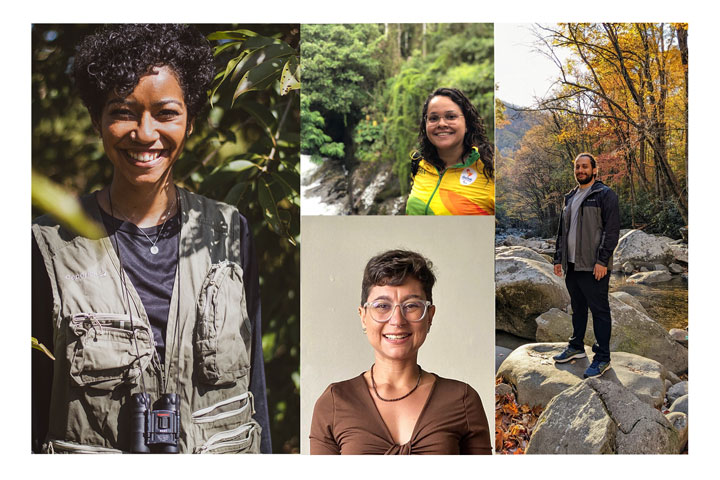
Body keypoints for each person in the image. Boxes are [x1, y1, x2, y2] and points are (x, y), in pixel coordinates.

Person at [31, 24, 271, 453]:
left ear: (191, 122)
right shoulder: (47, 245)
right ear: (96, 120)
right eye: (123, 112)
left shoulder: (230, 232)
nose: (144, 133)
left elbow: (255, 387)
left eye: (165, 113)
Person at [309, 250, 491, 455]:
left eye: (411, 305)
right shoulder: (334, 402)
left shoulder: (463, 400)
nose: (397, 320)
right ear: (363, 316)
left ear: (429, 316)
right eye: (382, 306)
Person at [552, 153, 620, 378]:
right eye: (577, 167)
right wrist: (558, 258)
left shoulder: (604, 195)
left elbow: (611, 231)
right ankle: (576, 347)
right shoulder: (570, 197)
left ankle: (602, 358)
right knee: (578, 308)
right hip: (571, 264)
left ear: (594, 170)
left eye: (585, 167)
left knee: (600, 311)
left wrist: (602, 261)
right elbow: (563, 231)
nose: (580, 170)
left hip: (593, 266)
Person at [405, 87, 494, 215]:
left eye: (451, 117)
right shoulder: (420, 164)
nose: (441, 124)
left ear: (467, 123)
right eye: (433, 118)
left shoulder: (489, 168)